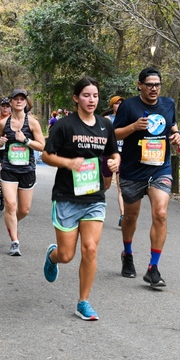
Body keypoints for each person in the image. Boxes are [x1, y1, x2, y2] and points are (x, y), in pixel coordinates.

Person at [41, 77, 120, 321]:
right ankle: (53, 256)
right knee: (67, 255)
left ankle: (83, 301)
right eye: (86, 95)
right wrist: (68, 163)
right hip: (66, 196)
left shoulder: (105, 125)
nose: (91, 100)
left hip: (94, 196)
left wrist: (116, 161)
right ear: (76, 98)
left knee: (90, 249)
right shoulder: (64, 126)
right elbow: (46, 155)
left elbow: (113, 151)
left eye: (95, 95)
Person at [113, 66, 180, 288]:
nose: (154, 89)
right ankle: (127, 253)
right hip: (133, 170)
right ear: (140, 85)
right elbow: (114, 133)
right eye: (150, 85)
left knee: (160, 214)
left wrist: (177, 134)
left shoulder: (168, 104)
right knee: (131, 218)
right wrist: (133, 127)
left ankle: (153, 268)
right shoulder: (129, 106)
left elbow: (173, 125)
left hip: (159, 168)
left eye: (157, 85)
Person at [0, 89, 45, 256]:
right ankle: (15, 242)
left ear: (25, 102)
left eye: (21, 99)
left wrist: (26, 140)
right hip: (9, 169)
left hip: (27, 170)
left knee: (24, 210)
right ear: (11, 102)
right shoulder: (4, 123)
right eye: (15, 99)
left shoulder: (32, 123)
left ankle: (12, 220)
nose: (18, 101)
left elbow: (42, 146)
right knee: (10, 205)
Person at [104, 95, 126, 225]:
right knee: (106, 185)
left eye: (121, 103)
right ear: (112, 105)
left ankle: (122, 215)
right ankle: (91, 203)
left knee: (120, 187)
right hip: (108, 154)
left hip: (122, 154)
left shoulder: (127, 119)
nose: (119, 106)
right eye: (117, 103)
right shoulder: (107, 119)